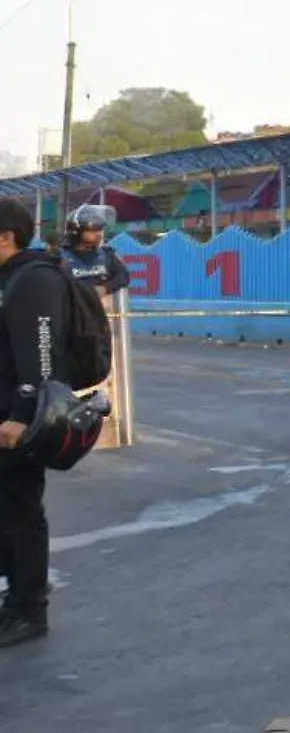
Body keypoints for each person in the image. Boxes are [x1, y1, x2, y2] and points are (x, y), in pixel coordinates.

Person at [0, 198, 74, 647]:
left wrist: (19, 417)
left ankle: (30, 609)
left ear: (6, 237)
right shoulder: (11, 279)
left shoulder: (35, 279)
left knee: (22, 512)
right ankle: (16, 600)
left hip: (17, 422)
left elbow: (40, 358)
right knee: (7, 512)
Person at [58, 204, 129, 299]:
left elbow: (123, 276)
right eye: (91, 231)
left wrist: (105, 288)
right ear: (76, 232)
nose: (98, 235)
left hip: (102, 310)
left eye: (99, 230)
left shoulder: (106, 255)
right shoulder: (59, 257)